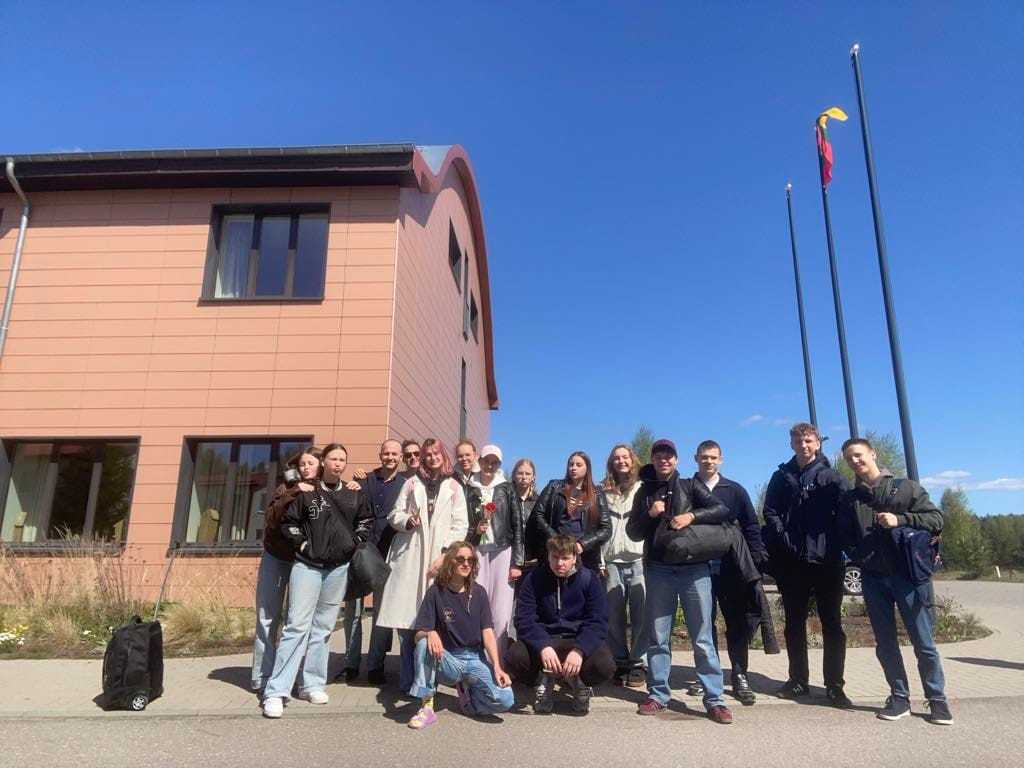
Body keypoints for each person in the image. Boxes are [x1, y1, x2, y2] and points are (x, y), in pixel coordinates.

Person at [838, 438, 952, 725]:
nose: (855, 461)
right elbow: (845, 536)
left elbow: (936, 519)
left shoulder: (906, 488)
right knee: (885, 643)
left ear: (873, 454)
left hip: (909, 576)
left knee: (923, 642)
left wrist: (900, 520)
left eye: (859, 455)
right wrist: (860, 555)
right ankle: (899, 697)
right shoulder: (851, 500)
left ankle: (937, 699)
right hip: (874, 577)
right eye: (849, 458)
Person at [626, 438, 735, 724]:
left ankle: (714, 699)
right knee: (658, 637)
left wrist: (691, 515)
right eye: (659, 455)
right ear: (652, 459)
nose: (664, 459)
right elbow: (633, 532)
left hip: (694, 570)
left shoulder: (690, 485)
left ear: (676, 460)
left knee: (702, 637)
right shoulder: (644, 491)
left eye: (669, 455)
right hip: (659, 570)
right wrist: (650, 514)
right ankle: (658, 694)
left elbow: (721, 510)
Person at [262, 443, 373, 718]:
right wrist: (302, 545)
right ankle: (276, 691)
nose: (338, 463)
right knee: (296, 626)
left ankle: (311, 684)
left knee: (323, 628)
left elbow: (366, 521)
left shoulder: (353, 493)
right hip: (307, 567)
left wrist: (355, 542)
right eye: (333, 458)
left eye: (342, 459)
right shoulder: (308, 491)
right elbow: (289, 523)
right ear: (323, 462)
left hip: (338, 568)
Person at [762, 422, 852, 708]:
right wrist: (783, 538)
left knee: (832, 624)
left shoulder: (833, 477)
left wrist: (835, 542)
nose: (804, 445)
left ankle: (834, 686)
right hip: (793, 562)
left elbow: (847, 514)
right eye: (799, 441)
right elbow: (770, 511)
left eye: (809, 441)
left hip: (828, 561)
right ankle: (798, 680)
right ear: (792, 444)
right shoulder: (781, 476)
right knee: (794, 624)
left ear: (818, 443)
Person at [377, 438, 469, 695]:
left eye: (436, 453)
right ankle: (408, 681)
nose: (431, 458)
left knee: (435, 623)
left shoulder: (454, 486)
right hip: (410, 558)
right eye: (427, 454)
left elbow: (460, 524)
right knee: (407, 625)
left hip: (439, 559)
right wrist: (407, 520)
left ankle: (430, 679)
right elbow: (394, 514)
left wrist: (445, 555)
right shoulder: (411, 483)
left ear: (443, 455)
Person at [694, 439, 778, 705]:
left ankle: (739, 674)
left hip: (731, 566)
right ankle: (708, 675)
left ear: (720, 460)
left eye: (713, 457)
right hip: (698, 566)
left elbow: (751, 525)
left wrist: (757, 558)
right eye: (704, 457)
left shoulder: (735, 490)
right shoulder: (687, 488)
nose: (708, 461)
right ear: (696, 459)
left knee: (737, 623)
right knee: (703, 624)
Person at [407, 542, 515, 729]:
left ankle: (469, 699)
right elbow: (417, 635)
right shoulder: (436, 592)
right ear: (450, 561)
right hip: (448, 659)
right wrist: (430, 632)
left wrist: (497, 667)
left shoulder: (479, 592)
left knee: (506, 700)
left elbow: (488, 632)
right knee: (424, 643)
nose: (466, 564)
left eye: (470, 560)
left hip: (475, 658)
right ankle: (427, 706)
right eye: (460, 559)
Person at [505, 534, 615, 714]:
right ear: (548, 556)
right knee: (514, 657)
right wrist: (542, 646)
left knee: (605, 665)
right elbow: (524, 619)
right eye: (555, 557)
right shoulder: (533, 579)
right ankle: (544, 678)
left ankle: (579, 681)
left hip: (576, 639)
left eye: (565, 558)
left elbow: (598, 621)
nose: (559, 563)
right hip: (547, 639)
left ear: (574, 558)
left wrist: (580, 650)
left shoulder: (589, 579)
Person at [251, 446, 320, 695]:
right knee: (267, 616)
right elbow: (271, 518)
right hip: (277, 556)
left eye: (311, 463)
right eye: (303, 464)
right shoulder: (286, 488)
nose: (306, 468)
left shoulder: (324, 489)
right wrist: (293, 492)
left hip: (305, 561)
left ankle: (297, 678)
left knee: (299, 622)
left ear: (320, 465)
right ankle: (262, 677)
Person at [339, 439, 405, 685]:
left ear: (400, 458)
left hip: (387, 556)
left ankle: (376, 665)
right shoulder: (364, 480)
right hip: (359, 553)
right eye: (386, 453)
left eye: (394, 454)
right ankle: (351, 663)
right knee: (353, 612)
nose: (390, 457)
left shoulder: (405, 484)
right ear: (380, 455)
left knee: (381, 613)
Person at [600, 444, 648, 688]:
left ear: (632, 460)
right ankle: (619, 660)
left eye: (625, 457)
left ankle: (638, 662)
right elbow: (598, 526)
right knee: (613, 615)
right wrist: (599, 559)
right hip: (611, 560)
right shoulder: (603, 490)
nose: (621, 461)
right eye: (616, 458)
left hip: (638, 558)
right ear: (611, 463)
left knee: (642, 614)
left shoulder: (643, 487)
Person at [466, 444, 516, 651]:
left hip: (502, 550)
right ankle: (475, 656)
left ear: (499, 465)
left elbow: (517, 524)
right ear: (480, 461)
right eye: (487, 461)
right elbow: (463, 521)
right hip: (477, 551)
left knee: (501, 609)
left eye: (494, 462)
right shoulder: (469, 487)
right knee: (475, 602)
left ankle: (498, 658)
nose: (490, 465)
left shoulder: (507, 488)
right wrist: (475, 531)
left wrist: (517, 561)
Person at [532, 451, 611, 573]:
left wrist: (583, 544)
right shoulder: (554, 487)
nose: (573, 468)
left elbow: (606, 528)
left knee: (583, 584)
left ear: (587, 468)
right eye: (571, 464)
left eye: (578, 465)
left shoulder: (597, 493)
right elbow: (538, 515)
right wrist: (557, 540)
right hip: (557, 553)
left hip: (585, 556)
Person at [508, 457, 539, 582]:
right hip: (510, 561)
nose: (524, 477)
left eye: (528, 474)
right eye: (520, 473)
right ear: (514, 476)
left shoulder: (539, 501)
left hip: (534, 561)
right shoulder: (506, 499)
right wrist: (513, 562)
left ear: (533, 477)